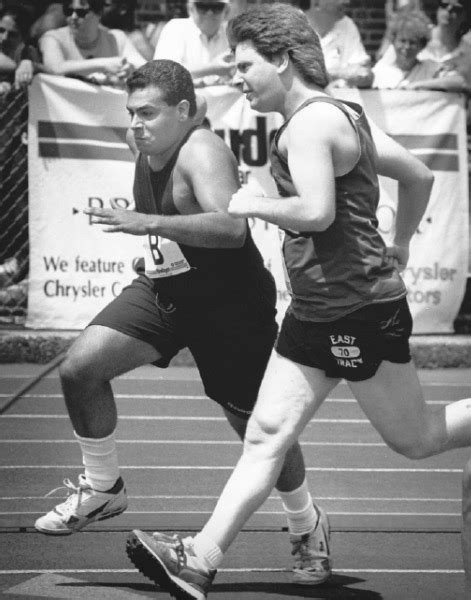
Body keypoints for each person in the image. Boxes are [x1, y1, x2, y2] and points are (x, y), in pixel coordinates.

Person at [125, 5, 471, 599]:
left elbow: (316, 212)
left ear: (282, 59)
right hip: (314, 308)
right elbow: (418, 176)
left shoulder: (310, 125)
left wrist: (247, 204)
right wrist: (403, 243)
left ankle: (200, 556)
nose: (237, 78)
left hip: (358, 309)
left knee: (416, 439)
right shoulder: (344, 114)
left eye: (245, 66)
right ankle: (198, 559)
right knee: (265, 434)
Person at [34, 58, 333, 587]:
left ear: (184, 111)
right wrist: (156, 249)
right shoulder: (143, 147)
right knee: (80, 368)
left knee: (256, 427)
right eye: (130, 113)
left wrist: (146, 223)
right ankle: (103, 487)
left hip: (231, 307)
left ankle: (305, 523)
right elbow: (179, 227)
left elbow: (230, 229)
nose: (136, 125)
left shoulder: (204, 150)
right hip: (166, 291)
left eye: (147, 113)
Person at [39, 0, 145, 86]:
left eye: (81, 12)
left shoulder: (116, 38)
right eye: (68, 11)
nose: (73, 17)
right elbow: (54, 68)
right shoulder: (53, 38)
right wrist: (103, 64)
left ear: (98, 13)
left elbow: (145, 69)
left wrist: (130, 70)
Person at [153, 0, 234, 87]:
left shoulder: (232, 32)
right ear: (190, 9)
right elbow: (161, 73)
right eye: (202, 6)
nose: (209, 13)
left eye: (217, 7)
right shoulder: (175, 28)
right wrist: (212, 68)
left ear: (226, 11)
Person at [303, 0, 373, 88]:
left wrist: (329, 74)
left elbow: (365, 74)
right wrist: (341, 73)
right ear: (317, 3)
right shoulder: (295, 25)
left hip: (340, 99)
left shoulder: (347, 25)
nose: (347, 2)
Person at [372, 9, 441, 89]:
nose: (407, 46)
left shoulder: (430, 68)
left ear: (422, 45)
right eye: (402, 41)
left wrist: (420, 85)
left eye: (412, 42)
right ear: (393, 41)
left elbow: (458, 81)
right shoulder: (381, 70)